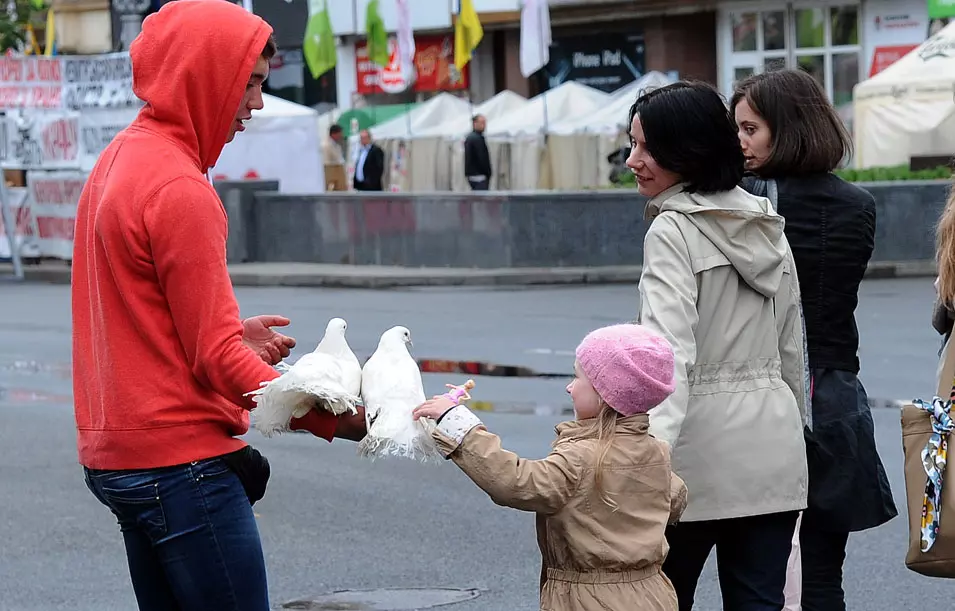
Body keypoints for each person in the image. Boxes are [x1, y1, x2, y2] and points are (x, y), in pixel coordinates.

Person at [71, 3, 366, 610]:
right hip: (182, 466)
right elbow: (215, 359)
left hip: (119, 458)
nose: (255, 104)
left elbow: (137, 312)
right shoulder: (181, 187)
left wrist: (232, 329)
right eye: (249, 82)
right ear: (202, 74)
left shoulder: (118, 161)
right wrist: (334, 417)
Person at [627, 81, 809, 611]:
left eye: (647, 147)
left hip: (692, 460)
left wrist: (648, 457)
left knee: (660, 599)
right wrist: (794, 431)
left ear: (689, 149)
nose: (633, 160)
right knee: (759, 602)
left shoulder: (672, 231)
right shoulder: (766, 223)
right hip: (772, 453)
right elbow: (792, 346)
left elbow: (667, 356)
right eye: (632, 144)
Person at [732, 69, 897, 611]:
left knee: (756, 578)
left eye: (750, 129)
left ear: (788, 129)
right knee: (824, 577)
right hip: (839, 401)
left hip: (767, 398)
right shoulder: (859, 205)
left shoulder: (748, 201)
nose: (740, 143)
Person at [413, 324, 687, 611]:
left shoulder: (580, 458)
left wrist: (462, 429)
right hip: (654, 594)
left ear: (606, 395)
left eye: (577, 377)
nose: (569, 386)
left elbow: (517, 483)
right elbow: (676, 498)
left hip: (589, 601)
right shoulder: (655, 450)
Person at [464, 114, 492, 190]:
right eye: (482, 123)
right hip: (479, 175)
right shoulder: (477, 139)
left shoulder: (470, 138)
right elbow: (482, 157)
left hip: (473, 175)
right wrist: (487, 172)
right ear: (475, 123)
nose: (484, 125)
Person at [323, 123, 348, 191]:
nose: (341, 136)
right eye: (340, 134)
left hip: (338, 179)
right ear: (334, 134)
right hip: (331, 181)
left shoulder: (337, 145)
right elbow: (327, 166)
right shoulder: (326, 146)